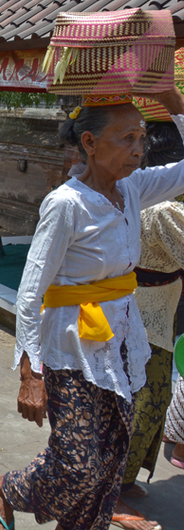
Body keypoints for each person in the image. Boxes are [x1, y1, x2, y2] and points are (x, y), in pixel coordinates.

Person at [0, 89, 184, 530]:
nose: (138, 148)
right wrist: (31, 373)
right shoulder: (66, 204)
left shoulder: (133, 189)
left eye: (141, 137)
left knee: (109, 462)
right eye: (126, 138)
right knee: (78, 467)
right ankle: (5, 487)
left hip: (121, 344)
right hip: (69, 350)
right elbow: (30, 292)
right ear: (90, 143)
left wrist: (174, 102)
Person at [110, 121, 184, 530]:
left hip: (155, 310)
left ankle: (122, 479)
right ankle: (112, 490)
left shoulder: (140, 194)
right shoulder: (163, 208)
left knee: (150, 400)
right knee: (144, 402)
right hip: (143, 315)